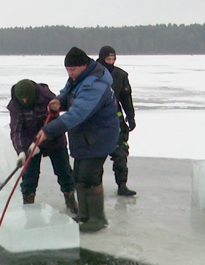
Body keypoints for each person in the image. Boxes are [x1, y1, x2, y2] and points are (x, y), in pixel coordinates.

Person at [36, 47, 119, 232]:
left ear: (84, 65)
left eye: (73, 69)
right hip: (84, 135)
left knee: (90, 176)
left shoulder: (95, 84)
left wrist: (49, 130)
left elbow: (79, 112)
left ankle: (97, 219)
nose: (70, 73)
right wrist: (60, 101)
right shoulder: (78, 78)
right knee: (79, 175)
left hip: (99, 136)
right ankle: (84, 214)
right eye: (67, 70)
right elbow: (68, 93)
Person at [8, 79, 77, 214]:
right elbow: (16, 130)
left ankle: (70, 199)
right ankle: (28, 204)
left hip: (54, 140)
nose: (25, 102)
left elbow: (55, 125)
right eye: (22, 99)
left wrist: (40, 144)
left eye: (27, 98)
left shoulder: (48, 99)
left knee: (64, 171)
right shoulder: (15, 104)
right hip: (29, 143)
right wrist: (21, 151)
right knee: (29, 175)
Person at [97, 46, 137, 196]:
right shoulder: (92, 74)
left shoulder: (120, 75)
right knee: (95, 158)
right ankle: (94, 187)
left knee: (120, 153)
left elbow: (126, 98)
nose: (111, 62)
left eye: (113, 59)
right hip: (97, 121)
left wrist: (131, 116)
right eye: (108, 59)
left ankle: (122, 185)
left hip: (116, 119)